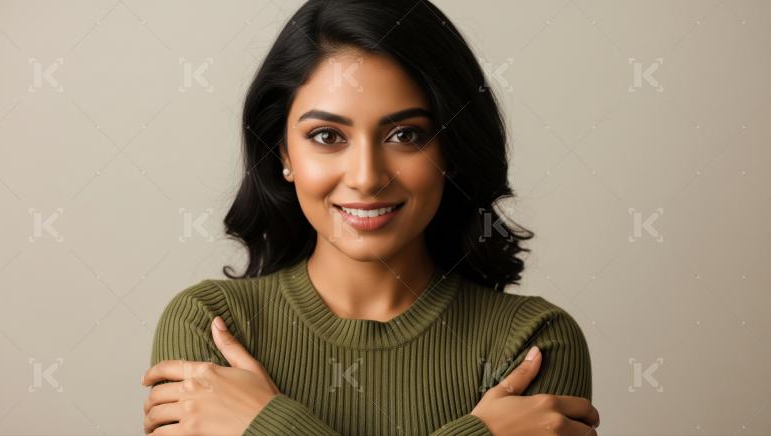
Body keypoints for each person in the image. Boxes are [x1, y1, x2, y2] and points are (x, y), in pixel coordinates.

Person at [141, 0, 600, 434]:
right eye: (327, 136)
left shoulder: (534, 343)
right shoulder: (211, 327)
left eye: (405, 135)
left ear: (451, 150)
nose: (366, 177)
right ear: (283, 153)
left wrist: (265, 424)